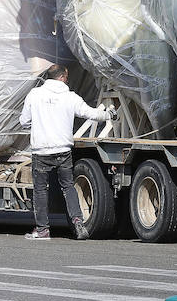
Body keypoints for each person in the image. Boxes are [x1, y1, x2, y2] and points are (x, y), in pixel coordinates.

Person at [19, 64, 110, 240]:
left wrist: (39, 124)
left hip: (41, 150)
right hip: (63, 150)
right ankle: (78, 222)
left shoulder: (35, 95)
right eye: (66, 77)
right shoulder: (71, 97)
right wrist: (108, 115)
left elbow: (24, 121)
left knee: (40, 190)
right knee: (68, 187)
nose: (67, 80)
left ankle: (43, 230)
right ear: (61, 77)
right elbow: (90, 114)